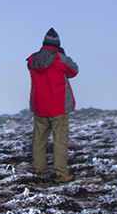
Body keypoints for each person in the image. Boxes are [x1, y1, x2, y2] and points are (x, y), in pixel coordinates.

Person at [26, 27, 79, 182]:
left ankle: (39, 168)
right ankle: (60, 172)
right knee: (60, 140)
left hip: (39, 104)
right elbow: (74, 71)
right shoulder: (59, 59)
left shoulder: (32, 60)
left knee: (39, 139)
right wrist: (63, 55)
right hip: (58, 105)